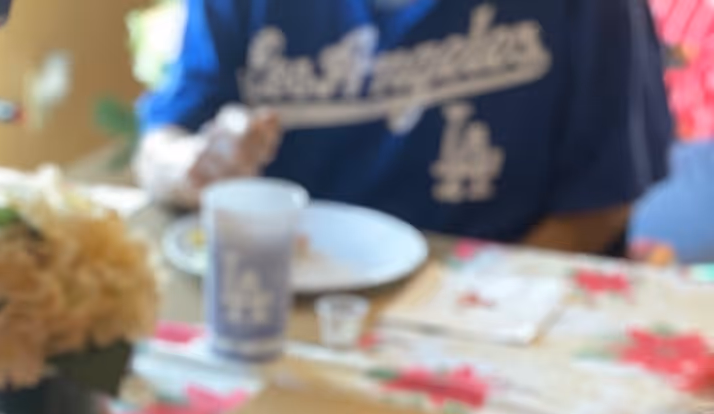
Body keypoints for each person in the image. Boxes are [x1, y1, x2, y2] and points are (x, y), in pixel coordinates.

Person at [137, 0, 674, 254]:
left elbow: (598, 209)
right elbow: (160, 144)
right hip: (292, 301)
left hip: (494, 312)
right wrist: (192, 166)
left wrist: (458, 308)